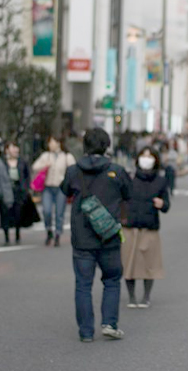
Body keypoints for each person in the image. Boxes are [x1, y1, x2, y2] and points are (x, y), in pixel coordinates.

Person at [61, 128, 132, 342]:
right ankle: (109, 323)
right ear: (106, 145)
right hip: (108, 235)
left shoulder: (73, 171)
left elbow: (65, 190)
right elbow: (128, 194)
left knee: (83, 284)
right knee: (111, 279)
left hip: (82, 237)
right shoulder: (117, 171)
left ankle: (86, 332)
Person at [122, 147, 169, 309]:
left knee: (149, 263)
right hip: (130, 226)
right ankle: (132, 297)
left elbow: (166, 205)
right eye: (143, 155)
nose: (146, 159)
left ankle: (146, 297)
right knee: (129, 262)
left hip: (150, 227)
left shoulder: (161, 181)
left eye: (150, 156)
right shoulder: (130, 178)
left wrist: (162, 204)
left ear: (156, 159)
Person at [33, 135, 76, 247]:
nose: (50, 145)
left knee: (59, 212)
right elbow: (35, 166)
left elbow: (74, 171)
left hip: (61, 188)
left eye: (51, 142)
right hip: (47, 187)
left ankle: (57, 234)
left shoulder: (67, 156)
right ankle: (48, 230)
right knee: (46, 211)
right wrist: (45, 165)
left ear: (58, 143)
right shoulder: (46, 156)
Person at [1, 142, 31, 246]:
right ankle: (6, 237)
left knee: (18, 213)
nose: (16, 150)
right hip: (6, 190)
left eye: (16, 147)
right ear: (7, 150)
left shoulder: (22, 162)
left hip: (19, 190)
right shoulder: (2, 162)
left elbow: (27, 175)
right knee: (6, 214)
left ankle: (18, 234)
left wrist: (26, 188)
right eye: (13, 147)